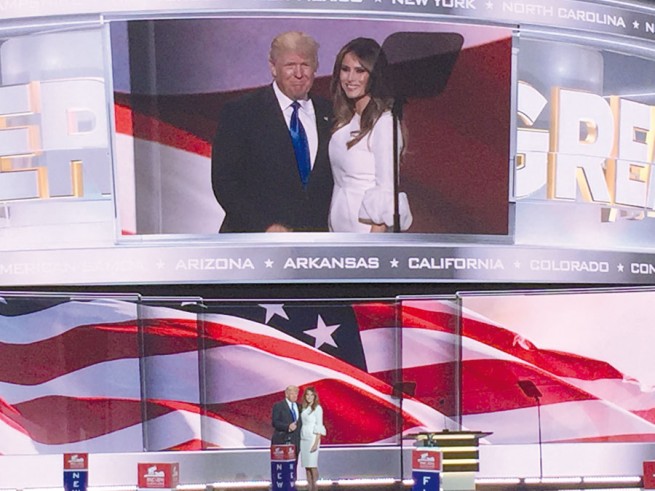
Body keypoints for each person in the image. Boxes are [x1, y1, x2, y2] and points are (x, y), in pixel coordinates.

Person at [211, 31, 333, 233]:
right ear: (273, 68)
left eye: (305, 65)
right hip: (255, 241)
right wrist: (265, 226)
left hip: (314, 244)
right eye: (290, 65)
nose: (299, 73)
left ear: (316, 68)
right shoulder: (241, 112)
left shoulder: (331, 113)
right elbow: (225, 182)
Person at [328, 37, 413, 233]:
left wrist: (373, 247)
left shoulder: (384, 124)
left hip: (365, 235)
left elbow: (386, 190)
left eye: (360, 71)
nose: (350, 79)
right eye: (345, 69)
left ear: (374, 76)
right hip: (339, 232)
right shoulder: (345, 121)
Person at [299, 387, 326, 491]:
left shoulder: (317, 408)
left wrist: (316, 443)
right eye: (307, 395)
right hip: (304, 437)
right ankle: (309, 487)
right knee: (307, 465)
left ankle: (315, 487)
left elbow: (319, 425)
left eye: (311, 395)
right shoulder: (304, 408)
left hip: (312, 438)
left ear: (315, 396)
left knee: (312, 465)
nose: (309, 397)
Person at [271, 385, 302, 458]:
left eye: (296, 393)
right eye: (292, 393)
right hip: (282, 441)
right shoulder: (278, 406)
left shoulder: (300, 407)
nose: (295, 396)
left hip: (296, 442)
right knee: (282, 467)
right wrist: (288, 427)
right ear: (286, 394)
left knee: (293, 466)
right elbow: (275, 422)